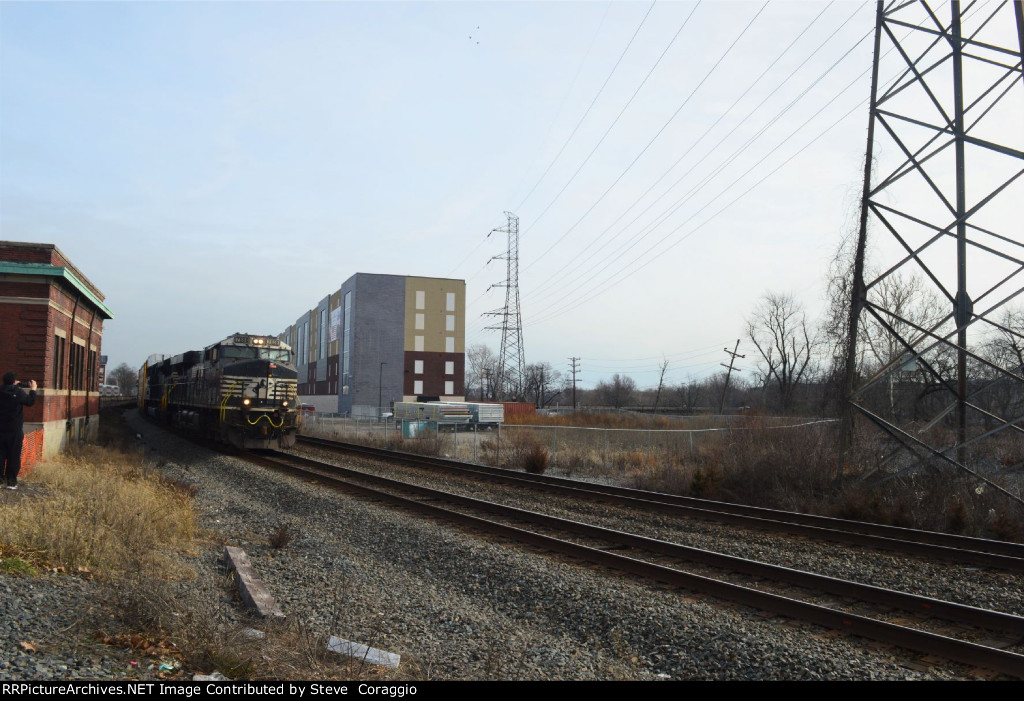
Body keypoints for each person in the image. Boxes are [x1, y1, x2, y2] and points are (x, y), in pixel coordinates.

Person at [0, 372, 37, 490]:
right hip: (14, 430)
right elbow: (30, 402)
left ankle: (0, 481)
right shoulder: (18, 392)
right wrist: (33, 389)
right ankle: (11, 482)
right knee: (14, 456)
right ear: (14, 381)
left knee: (0, 456)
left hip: (1, 429)